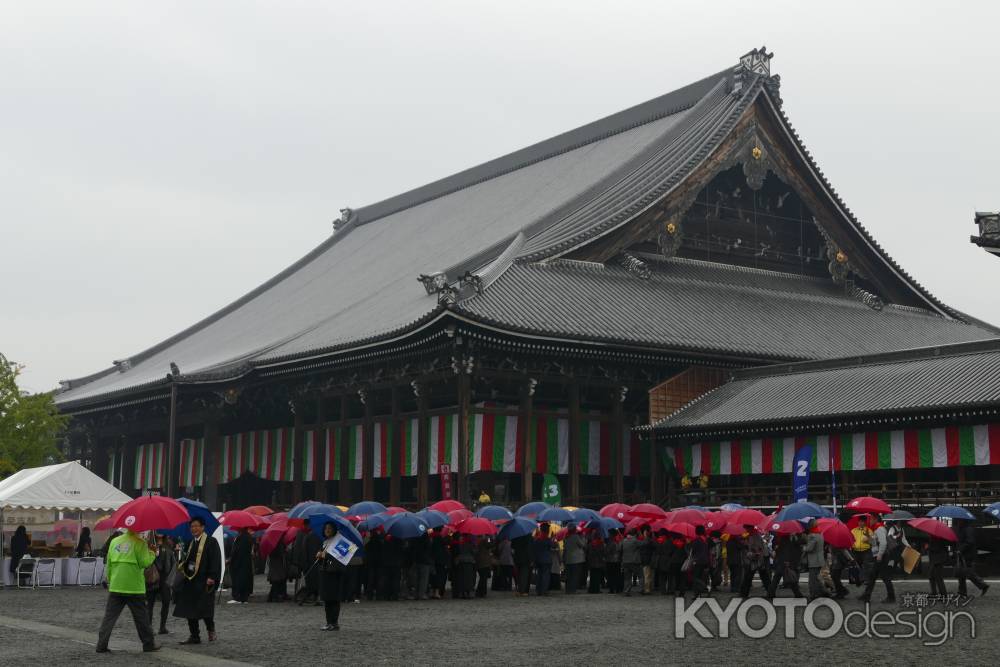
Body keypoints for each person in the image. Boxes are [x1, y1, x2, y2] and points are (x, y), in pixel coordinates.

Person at [96, 528, 160, 653]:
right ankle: (148, 644)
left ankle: (101, 645)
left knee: (109, 617)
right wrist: (152, 553)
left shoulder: (115, 541)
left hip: (116, 585)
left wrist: (110, 580)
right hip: (134, 587)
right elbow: (145, 563)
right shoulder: (140, 543)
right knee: (141, 618)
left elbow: (109, 563)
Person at [173, 517, 222, 644]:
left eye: (196, 526)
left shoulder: (211, 541)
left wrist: (212, 576)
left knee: (205, 608)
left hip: (205, 580)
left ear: (203, 527)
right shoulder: (190, 542)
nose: (194, 529)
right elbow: (188, 561)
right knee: (189, 609)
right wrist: (180, 555)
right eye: (192, 526)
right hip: (191, 580)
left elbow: (216, 560)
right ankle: (194, 635)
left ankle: (211, 629)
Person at [316, 522, 345, 630]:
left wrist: (326, 555)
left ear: (334, 530)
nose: (327, 530)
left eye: (330, 528)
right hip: (325, 573)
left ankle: (334, 622)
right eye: (326, 528)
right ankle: (328, 622)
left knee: (334, 598)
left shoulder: (339, 541)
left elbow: (341, 557)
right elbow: (322, 558)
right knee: (327, 599)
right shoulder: (325, 542)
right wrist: (319, 555)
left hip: (335, 574)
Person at [858, 515, 894, 603]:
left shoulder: (879, 529)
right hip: (879, 556)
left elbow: (883, 543)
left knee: (883, 577)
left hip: (881, 556)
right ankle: (866, 595)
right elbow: (874, 542)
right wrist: (868, 537)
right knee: (873, 577)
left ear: (875, 519)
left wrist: (880, 555)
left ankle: (891, 597)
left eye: (870, 519)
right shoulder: (877, 528)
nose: (869, 521)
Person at [146, 534, 176, 635]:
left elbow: (173, 562)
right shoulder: (148, 544)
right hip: (152, 577)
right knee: (150, 603)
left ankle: (162, 627)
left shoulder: (168, 544)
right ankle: (149, 627)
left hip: (165, 578)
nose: (159, 532)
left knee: (166, 602)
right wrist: (152, 551)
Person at [953, 519, 989, 598]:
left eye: (959, 520)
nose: (958, 522)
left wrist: (960, 549)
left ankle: (983, 585)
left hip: (967, 555)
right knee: (961, 573)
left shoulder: (968, 529)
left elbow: (970, 541)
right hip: (963, 555)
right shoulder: (962, 529)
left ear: (964, 521)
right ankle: (962, 593)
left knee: (968, 573)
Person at [766, 533, 803, 600]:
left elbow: (776, 548)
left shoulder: (778, 537)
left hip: (781, 560)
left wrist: (776, 547)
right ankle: (798, 594)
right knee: (790, 578)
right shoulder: (786, 539)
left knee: (777, 578)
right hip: (784, 561)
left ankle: (770, 593)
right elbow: (788, 551)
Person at [739, 526, 771, 597]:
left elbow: (756, 547)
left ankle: (744, 593)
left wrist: (751, 551)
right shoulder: (754, 535)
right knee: (763, 576)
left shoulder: (752, 535)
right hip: (758, 558)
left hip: (755, 559)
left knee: (748, 577)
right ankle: (770, 591)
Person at [227, 527, 253, 604]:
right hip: (245, 562)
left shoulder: (242, 537)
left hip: (239, 563)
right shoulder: (247, 536)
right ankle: (244, 597)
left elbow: (237, 551)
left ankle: (238, 597)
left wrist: (230, 559)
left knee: (238, 579)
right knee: (244, 579)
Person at [802, 519, 826, 600]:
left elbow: (809, 548)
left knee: (812, 580)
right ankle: (823, 592)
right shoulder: (820, 534)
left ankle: (814, 594)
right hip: (820, 559)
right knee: (817, 578)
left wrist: (803, 547)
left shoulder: (812, 536)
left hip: (814, 561)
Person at [689, 525, 711, 599]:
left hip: (697, 561)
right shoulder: (706, 539)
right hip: (705, 560)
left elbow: (693, 550)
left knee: (694, 577)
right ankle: (696, 594)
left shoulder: (696, 540)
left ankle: (705, 587)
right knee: (700, 577)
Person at [562, 525, 586, 594]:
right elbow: (582, 545)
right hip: (576, 559)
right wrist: (583, 538)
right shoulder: (576, 537)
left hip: (568, 559)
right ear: (575, 530)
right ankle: (573, 590)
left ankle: (568, 589)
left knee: (568, 575)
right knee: (574, 575)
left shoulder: (566, 537)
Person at [531, 526, 553, 596]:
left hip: (538, 560)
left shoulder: (537, 539)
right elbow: (552, 546)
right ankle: (544, 590)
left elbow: (534, 549)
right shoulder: (548, 539)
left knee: (539, 575)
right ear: (547, 531)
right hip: (546, 560)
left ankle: (539, 590)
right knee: (545, 576)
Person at [620, 529, 642, 596]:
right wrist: (642, 535)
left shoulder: (624, 540)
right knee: (641, 575)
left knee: (627, 578)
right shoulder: (635, 541)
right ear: (635, 534)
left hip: (625, 561)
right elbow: (643, 544)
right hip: (634, 561)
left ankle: (626, 591)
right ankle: (642, 589)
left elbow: (619, 549)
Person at [431, 528, 451, 599]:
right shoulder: (439, 537)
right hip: (440, 560)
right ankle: (437, 592)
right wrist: (449, 535)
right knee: (440, 576)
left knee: (434, 575)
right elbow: (446, 543)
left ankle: (434, 592)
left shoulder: (431, 537)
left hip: (433, 559)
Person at [603, 530, 622, 594]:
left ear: (611, 535)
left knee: (611, 575)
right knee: (617, 575)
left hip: (610, 560)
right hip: (617, 560)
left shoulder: (610, 542)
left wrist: (605, 548)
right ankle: (618, 588)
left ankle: (612, 589)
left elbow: (607, 552)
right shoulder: (619, 541)